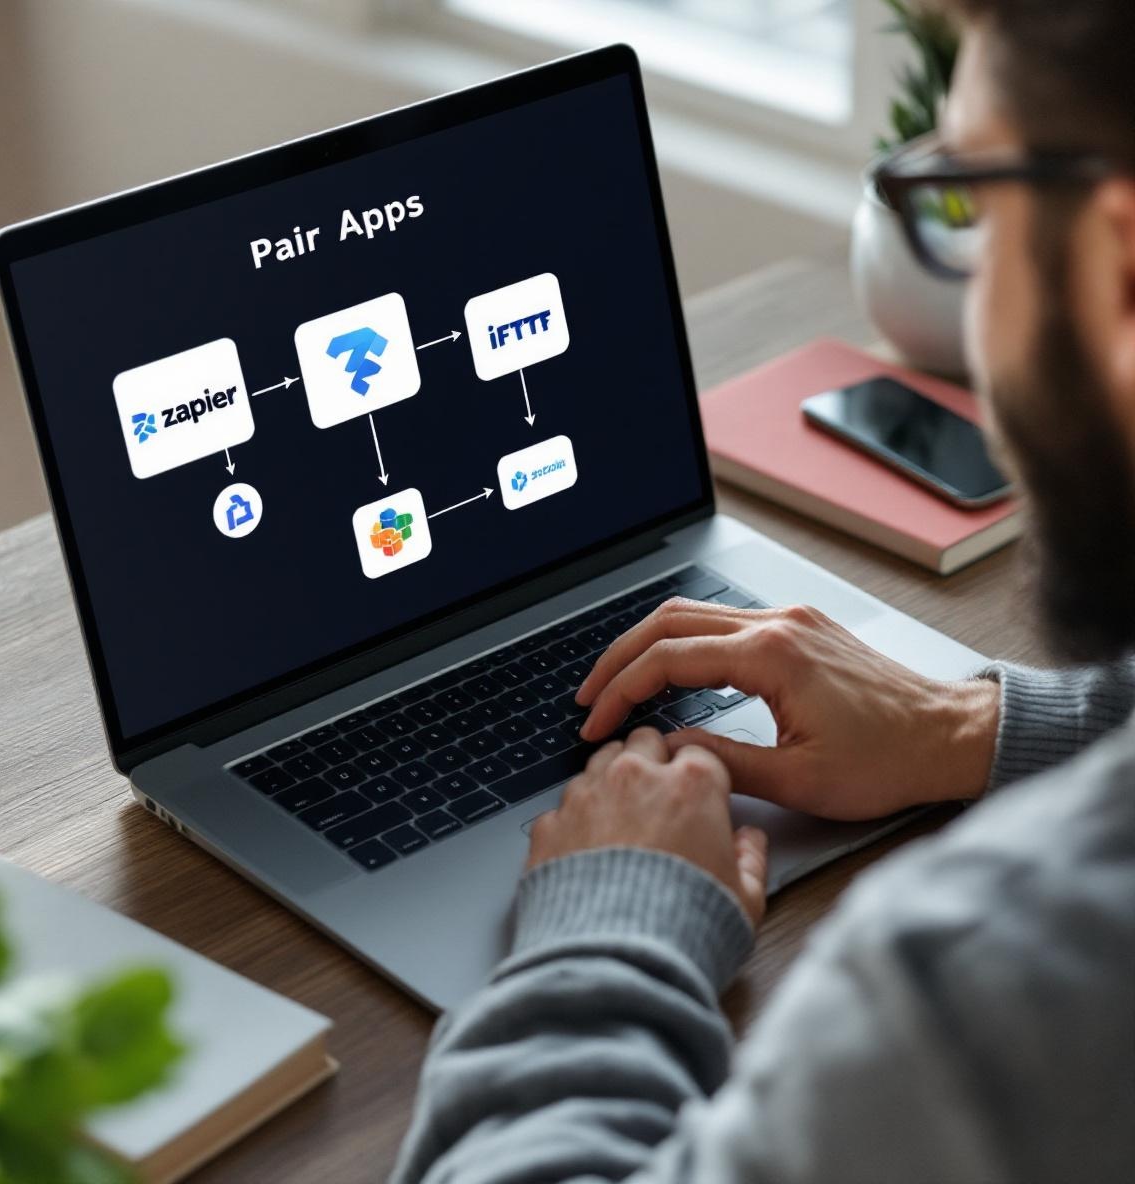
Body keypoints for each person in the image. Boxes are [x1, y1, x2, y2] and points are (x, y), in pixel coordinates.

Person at [392, 2, 1135, 1179]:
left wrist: (612, 923)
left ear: (1116, 268)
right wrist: (975, 724)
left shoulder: (993, 983)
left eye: (974, 211)